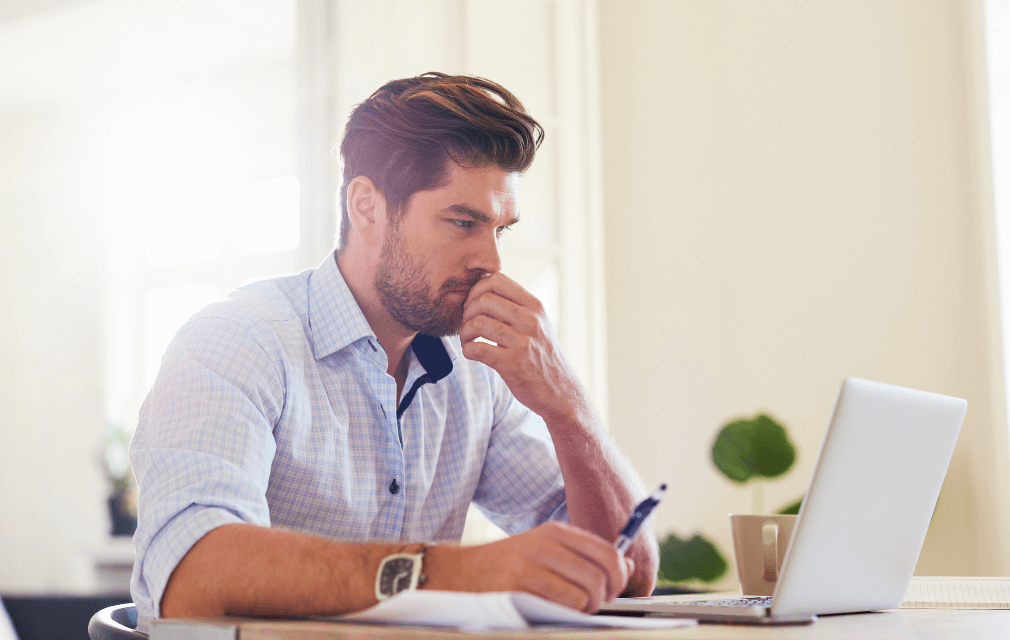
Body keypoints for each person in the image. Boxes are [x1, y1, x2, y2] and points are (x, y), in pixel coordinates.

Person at [129, 72, 659, 632]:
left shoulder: (475, 376)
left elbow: (627, 571)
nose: (492, 262)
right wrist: (458, 573)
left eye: (500, 230)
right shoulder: (237, 342)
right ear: (368, 207)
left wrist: (566, 405)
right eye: (462, 222)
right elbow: (190, 578)